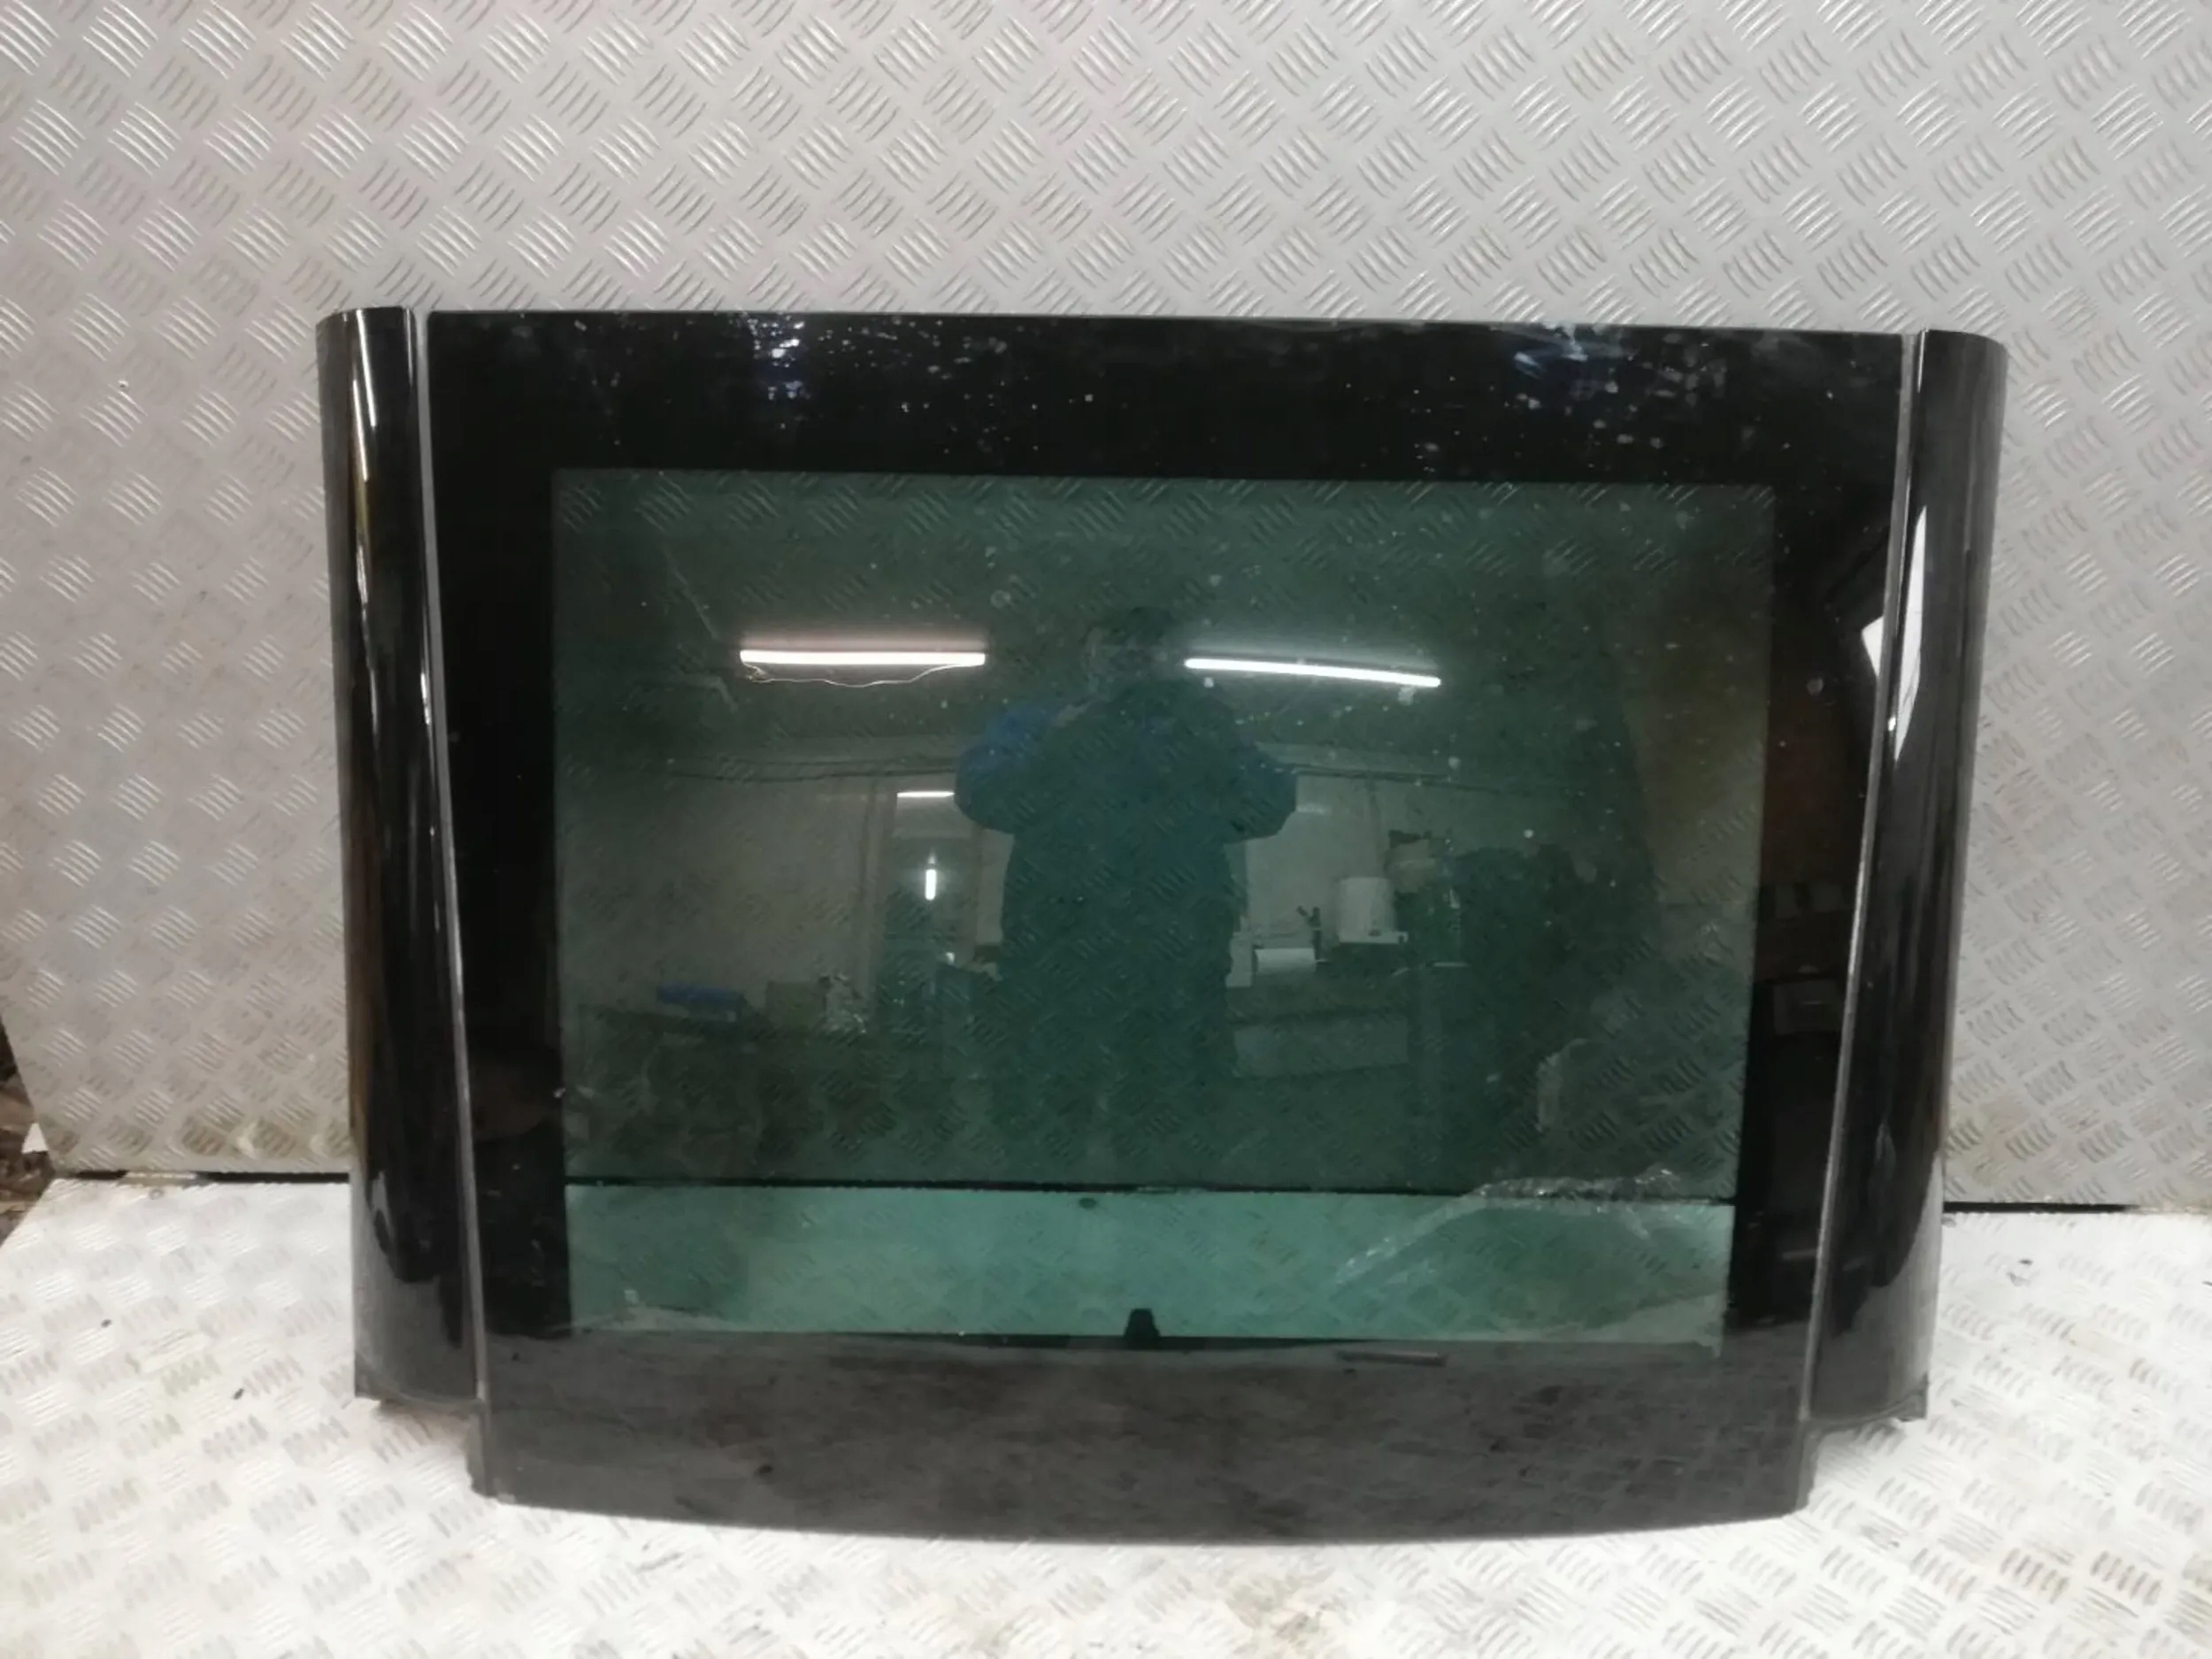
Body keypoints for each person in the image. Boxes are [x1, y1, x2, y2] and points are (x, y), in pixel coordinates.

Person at [956, 608, 1294, 1179]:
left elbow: (1268, 803)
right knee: (1047, 1106)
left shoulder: (1204, 727)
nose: (1133, 657)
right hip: (1059, 951)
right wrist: (1063, 743)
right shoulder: (1044, 721)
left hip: (1173, 955)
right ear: (1087, 654)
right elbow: (981, 793)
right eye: (1118, 643)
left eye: (1150, 646)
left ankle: (1162, 1210)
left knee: (1170, 1109)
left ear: (1174, 659)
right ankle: (1041, 1209)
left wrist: (1209, 745)